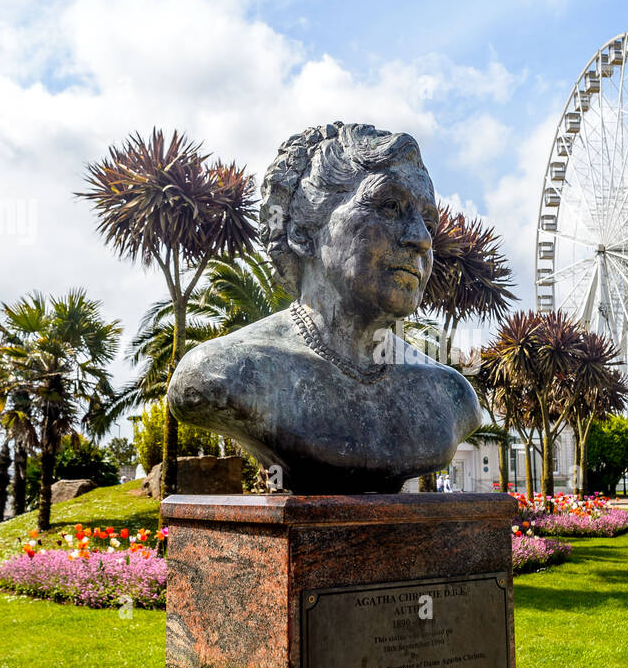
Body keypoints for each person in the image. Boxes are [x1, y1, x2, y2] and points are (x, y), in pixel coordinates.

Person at [169, 122, 481, 494]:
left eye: (428, 222)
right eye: (389, 206)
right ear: (302, 232)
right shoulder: (227, 372)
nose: (421, 239)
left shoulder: (449, 395)